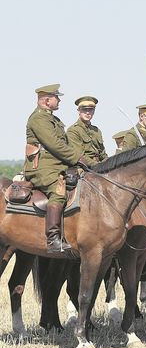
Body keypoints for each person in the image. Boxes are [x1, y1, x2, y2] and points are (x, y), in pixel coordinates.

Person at [24, 84, 86, 253]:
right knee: (58, 192)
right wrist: (77, 158)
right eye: (56, 97)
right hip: (42, 168)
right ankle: (53, 239)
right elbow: (55, 145)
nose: (59, 100)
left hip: (56, 165)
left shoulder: (53, 120)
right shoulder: (38, 119)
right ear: (46, 100)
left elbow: (66, 144)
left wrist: (82, 160)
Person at [67, 96, 107, 166]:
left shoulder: (96, 130)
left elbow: (103, 155)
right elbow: (79, 155)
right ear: (79, 111)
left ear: (94, 111)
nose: (88, 113)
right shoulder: (73, 130)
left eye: (90, 110)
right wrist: (97, 166)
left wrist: (109, 164)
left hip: (99, 166)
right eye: (84, 110)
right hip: (83, 166)